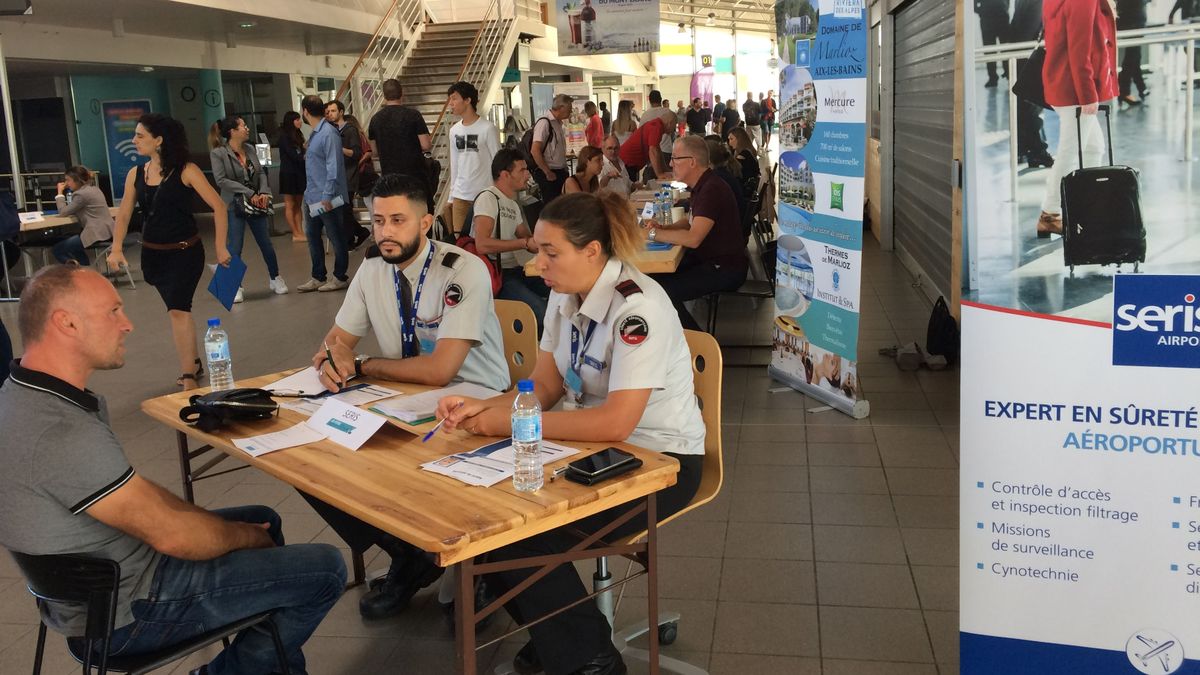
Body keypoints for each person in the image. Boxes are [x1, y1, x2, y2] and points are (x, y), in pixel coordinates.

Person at [0, 265, 347, 674]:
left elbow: (135, 494)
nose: (128, 324)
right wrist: (245, 538)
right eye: (113, 312)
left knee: (263, 519)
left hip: (89, 589)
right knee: (326, 569)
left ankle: (274, 667)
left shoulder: (21, 396)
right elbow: (174, 538)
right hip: (128, 612)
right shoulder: (62, 431)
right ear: (67, 322)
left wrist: (239, 532)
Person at [434, 191, 706, 675]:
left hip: (658, 462)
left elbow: (616, 422)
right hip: (593, 448)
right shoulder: (564, 296)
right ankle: (564, 638)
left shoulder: (636, 308)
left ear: (593, 252)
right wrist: (489, 407)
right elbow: (545, 384)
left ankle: (591, 660)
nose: (537, 265)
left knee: (519, 538)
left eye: (549, 253)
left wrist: (519, 425)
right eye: (537, 250)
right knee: (487, 519)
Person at [303, 173, 509, 620]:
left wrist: (361, 365)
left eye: (398, 220)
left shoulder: (462, 269)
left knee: (401, 458)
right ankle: (408, 554)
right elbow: (333, 343)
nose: (386, 232)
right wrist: (330, 361)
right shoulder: (372, 271)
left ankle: (483, 566)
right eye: (378, 221)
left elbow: (440, 372)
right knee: (315, 460)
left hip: (475, 401)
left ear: (426, 222)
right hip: (404, 397)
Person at [107, 114, 231, 389]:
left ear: (159, 140)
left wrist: (221, 247)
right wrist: (116, 248)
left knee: (178, 309)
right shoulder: (136, 174)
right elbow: (125, 214)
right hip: (153, 255)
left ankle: (188, 374)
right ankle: (195, 362)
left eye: (140, 136)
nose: (134, 140)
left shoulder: (187, 170)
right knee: (177, 310)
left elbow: (219, 207)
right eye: (135, 135)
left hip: (185, 253)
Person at [648, 136, 749, 331]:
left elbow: (693, 239)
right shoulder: (704, 185)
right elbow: (691, 221)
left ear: (692, 162)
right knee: (652, 280)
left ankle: (699, 350)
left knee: (663, 290)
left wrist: (652, 235)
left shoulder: (712, 189)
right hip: (710, 260)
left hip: (725, 268)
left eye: (675, 158)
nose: (670, 163)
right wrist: (664, 229)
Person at [1036, 0, 1118, 237]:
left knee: (1094, 147)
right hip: (1075, 90)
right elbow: (1079, 49)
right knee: (1070, 152)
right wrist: (1088, 95)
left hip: (1063, 83)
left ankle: (1089, 207)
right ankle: (1049, 214)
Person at [211, 116, 287, 303]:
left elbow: (261, 172)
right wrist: (248, 192)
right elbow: (221, 180)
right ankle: (234, 285)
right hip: (233, 205)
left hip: (256, 203)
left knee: (266, 243)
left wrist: (262, 192)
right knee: (235, 245)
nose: (247, 128)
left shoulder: (251, 149)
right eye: (243, 126)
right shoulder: (219, 153)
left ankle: (275, 277)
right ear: (232, 131)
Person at [472, 149, 549, 322]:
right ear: (505, 175)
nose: (528, 174)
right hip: (498, 274)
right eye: (522, 170)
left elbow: (527, 238)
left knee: (559, 290)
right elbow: (482, 245)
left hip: (514, 271)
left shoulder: (512, 205)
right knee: (540, 311)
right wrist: (523, 243)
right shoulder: (489, 198)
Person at [296, 94, 352, 293]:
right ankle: (318, 276)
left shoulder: (328, 133)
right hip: (312, 195)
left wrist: (327, 195)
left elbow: (333, 167)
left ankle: (340, 276)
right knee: (312, 235)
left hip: (327, 197)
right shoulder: (315, 133)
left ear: (305, 111)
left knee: (335, 236)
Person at [368, 78, 433, 210]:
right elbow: (426, 145)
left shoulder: (375, 119)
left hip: (390, 178)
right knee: (419, 212)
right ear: (402, 94)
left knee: (396, 214)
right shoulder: (413, 115)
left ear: (384, 96)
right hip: (414, 175)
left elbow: (373, 151)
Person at [446, 80, 501, 237]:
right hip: (460, 195)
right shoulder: (454, 131)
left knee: (483, 240)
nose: (451, 103)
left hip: (484, 194)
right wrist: (451, 196)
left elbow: (497, 161)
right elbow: (454, 164)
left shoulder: (487, 128)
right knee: (461, 243)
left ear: (468, 100)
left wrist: (498, 193)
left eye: (454, 98)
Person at [1011, 0, 1055, 168]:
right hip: (1029, 61)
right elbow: (1029, 33)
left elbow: (1016, 27)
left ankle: (1025, 149)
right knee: (1031, 110)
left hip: (1022, 61)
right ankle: (1037, 152)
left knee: (1024, 110)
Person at [325, 99, 372, 251]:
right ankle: (356, 235)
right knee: (342, 210)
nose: (330, 114)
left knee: (345, 209)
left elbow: (357, 153)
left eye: (333, 111)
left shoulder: (350, 130)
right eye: (328, 111)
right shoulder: (331, 130)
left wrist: (339, 148)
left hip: (349, 176)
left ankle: (352, 238)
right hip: (336, 176)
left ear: (340, 112)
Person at [51, 166, 114, 266]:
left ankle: (79, 272)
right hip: (108, 231)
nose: (67, 184)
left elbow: (63, 212)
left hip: (96, 234)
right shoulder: (95, 189)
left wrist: (59, 193)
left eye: (68, 180)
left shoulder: (81, 195)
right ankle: (85, 270)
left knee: (58, 249)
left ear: (77, 180)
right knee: (76, 248)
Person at [530, 94, 573, 203]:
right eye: (569, 108)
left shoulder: (558, 123)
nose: (571, 111)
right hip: (550, 174)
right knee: (553, 208)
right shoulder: (544, 123)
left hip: (560, 172)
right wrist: (547, 172)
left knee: (562, 205)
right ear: (561, 108)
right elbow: (535, 150)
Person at [278, 111, 308, 242]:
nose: (300, 122)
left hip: (299, 173)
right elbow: (294, 156)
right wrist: (305, 155)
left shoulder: (298, 135)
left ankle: (300, 231)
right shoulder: (284, 137)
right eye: (297, 120)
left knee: (298, 204)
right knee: (290, 204)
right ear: (291, 121)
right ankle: (295, 232)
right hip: (288, 173)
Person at [618, 114, 670, 182]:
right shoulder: (657, 127)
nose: (674, 128)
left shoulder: (655, 124)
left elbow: (657, 150)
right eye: (674, 124)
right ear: (669, 123)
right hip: (628, 162)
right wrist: (660, 174)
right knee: (629, 187)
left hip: (629, 162)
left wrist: (665, 170)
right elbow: (653, 151)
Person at [1116, 0, 1149, 105]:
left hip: (1133, 21)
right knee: (1132, 57)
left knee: (1135, 56)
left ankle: (1141, 88)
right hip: (1131, 22)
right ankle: (1124, 91)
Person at [707, 140, 747, 218]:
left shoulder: (717, 179)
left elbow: (705, 204)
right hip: (736, 219)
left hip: (730, 223)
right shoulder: (724, 173)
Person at [639, 90, 676, 175]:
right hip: (666, 149)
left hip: (650, 151)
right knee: (667, 176)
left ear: (650, 101)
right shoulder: (668, 112)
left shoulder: (645, 115)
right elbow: (672, 133)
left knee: (653, 177)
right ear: (661, 99)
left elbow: (642, 134)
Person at [976, 0, 1012, 87]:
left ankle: (1007, 74)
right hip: (988, 20)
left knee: (1005, 48)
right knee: (989, 50)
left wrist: (1004, 8)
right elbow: (974, 4)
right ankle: (993, 78)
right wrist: (982, 11)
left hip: (1000, 17)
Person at [727, 126, 762, 194]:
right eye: (729, 139)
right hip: (750, 188)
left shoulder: (743, 155)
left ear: (739, 139)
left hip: (744, 191)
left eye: (731, 139)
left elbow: (734, 173)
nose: (729, 143)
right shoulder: (749, 150)